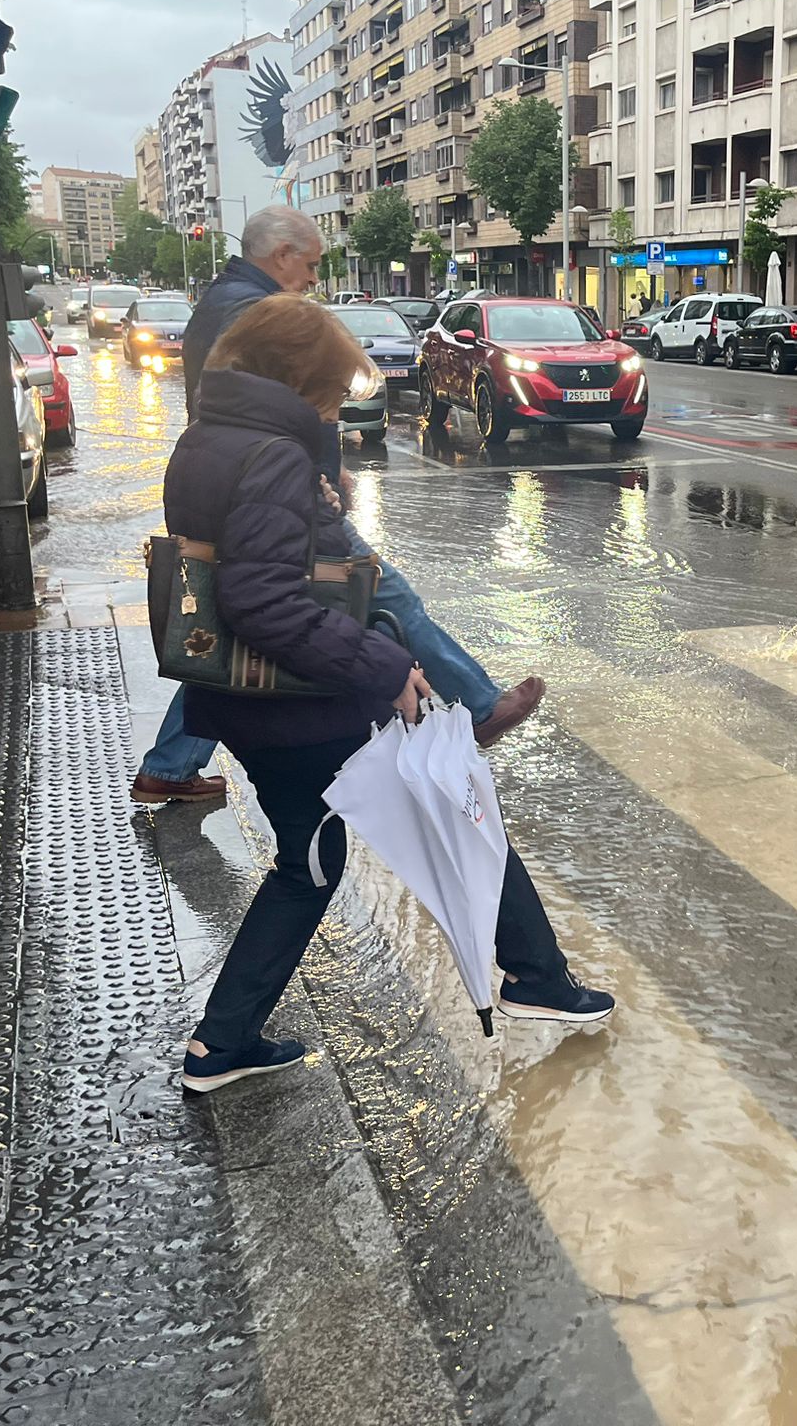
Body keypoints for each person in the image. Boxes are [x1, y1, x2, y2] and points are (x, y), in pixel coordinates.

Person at [164, 296, 613, 1091]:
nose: (338, 407)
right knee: (456, 800)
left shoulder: (213, 436)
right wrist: (383, 665)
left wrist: (321, 508)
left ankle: (222, 1041)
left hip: (260, 702)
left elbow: (261, 559)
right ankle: (536, 980)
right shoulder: (270, 452)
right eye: (333, 394)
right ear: (298, 380)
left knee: (313, 859)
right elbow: (263, 600)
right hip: (300, 704)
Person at [133, 203, 541, 805]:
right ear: (283, 255)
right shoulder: (262, 313)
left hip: (244, 484)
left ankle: (169, 765)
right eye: (313, 265)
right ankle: (475, 705)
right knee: (361, 592)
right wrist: (317, 480)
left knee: (223, 634)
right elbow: (288, 401)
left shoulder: (222, 299)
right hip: (269, 490)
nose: (313, 280)